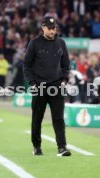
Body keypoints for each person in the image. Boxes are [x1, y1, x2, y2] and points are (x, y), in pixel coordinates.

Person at [23, 16, 71, 156]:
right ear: (43, 28)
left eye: (54, 28)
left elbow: (66, 65)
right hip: (39, 86)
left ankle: (62, 147)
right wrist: (32, 83)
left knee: (59, 119)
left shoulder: (61, 43)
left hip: (57, 86)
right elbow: (26, 65)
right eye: (49, 28)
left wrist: (64, 79)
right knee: (37, 118)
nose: (52, 31)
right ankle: (36, 146)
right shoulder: (34, 43)